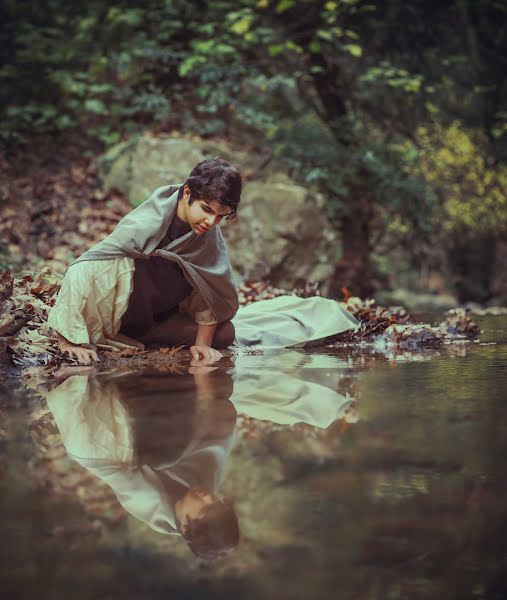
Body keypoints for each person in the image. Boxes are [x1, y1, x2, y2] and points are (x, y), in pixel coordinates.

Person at [47, 157, 241, 365]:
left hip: (161, 322)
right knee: (97, 270)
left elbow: (209, 290)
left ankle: (146, 340)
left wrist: (202, 345)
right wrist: (68, 342)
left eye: (220, 216)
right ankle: (125, 337)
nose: (211, 222)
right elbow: (84, 266)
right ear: (187, 193)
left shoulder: (208, 238)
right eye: (207, 210)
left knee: (225, 334)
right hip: (121, 316)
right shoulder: (147, 222)